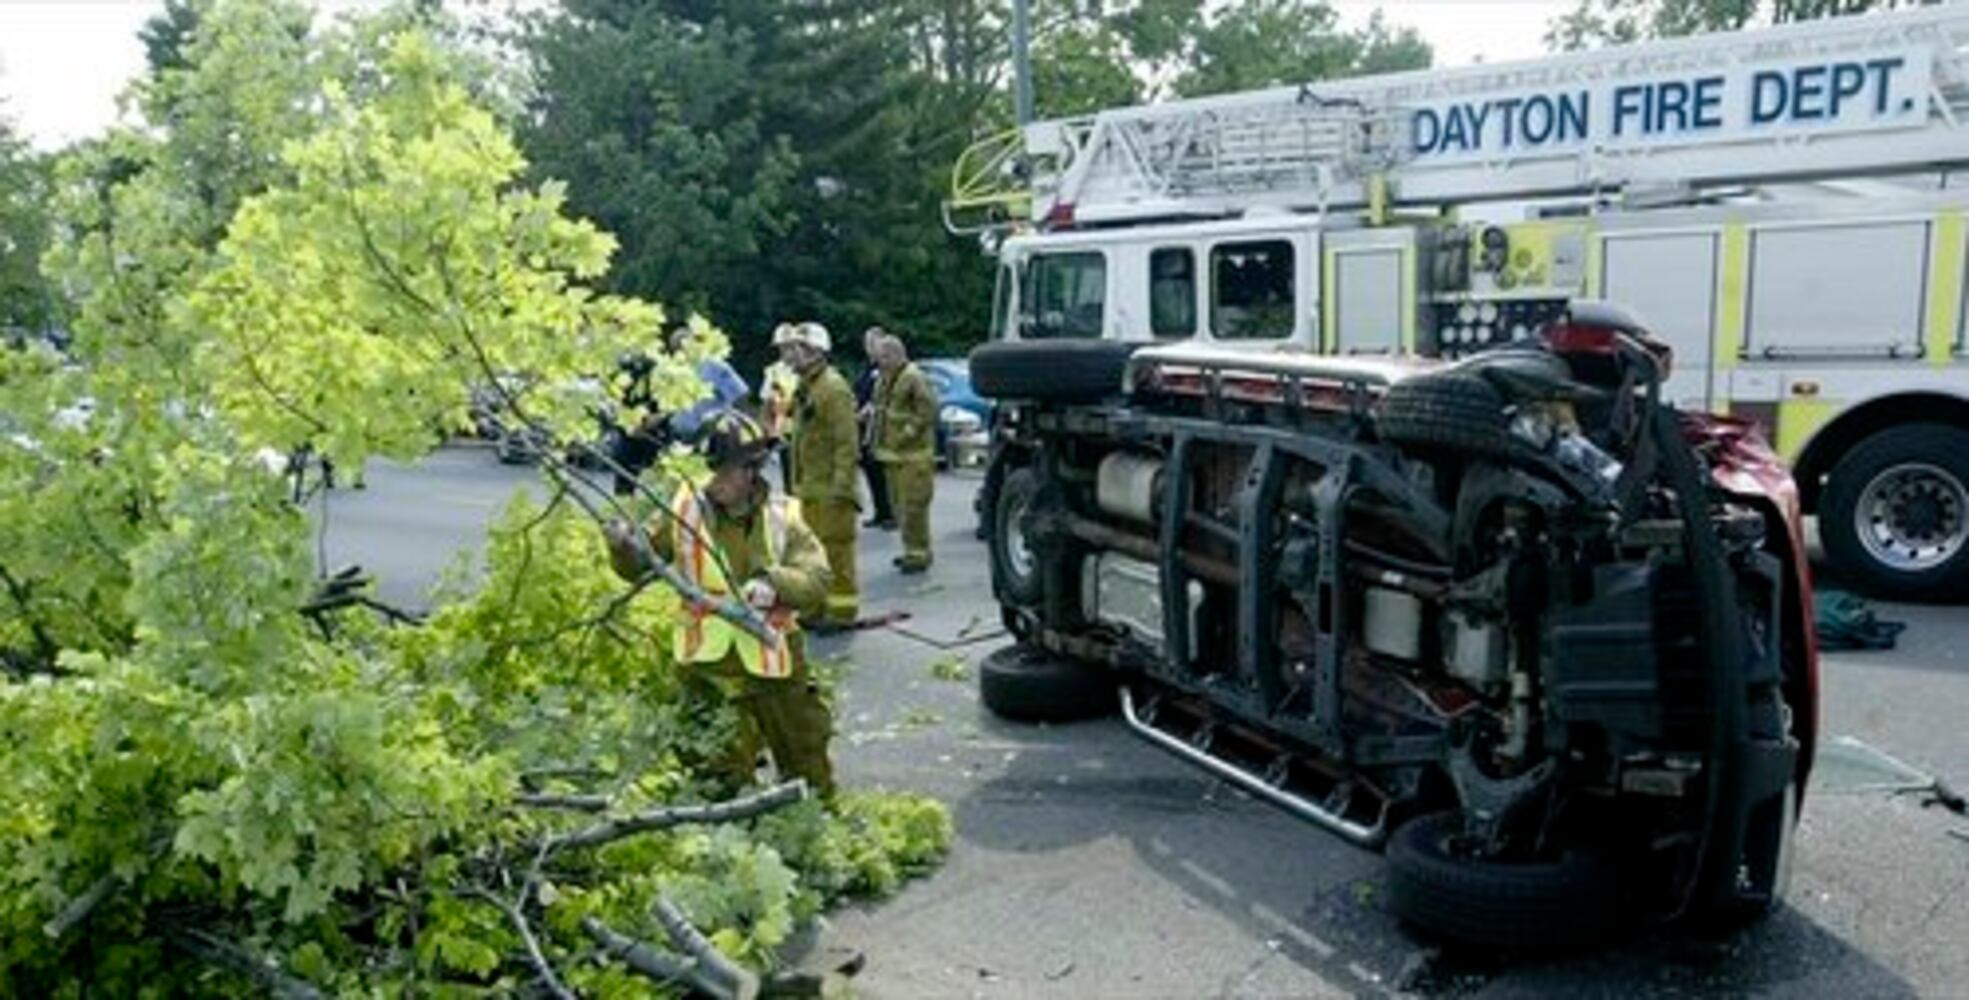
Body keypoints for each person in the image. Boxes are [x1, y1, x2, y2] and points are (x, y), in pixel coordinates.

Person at [601, 411, 836, 796]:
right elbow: (640, 565)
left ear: (751, 471)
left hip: (773, 658)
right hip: (706, 662)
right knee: (712, 765)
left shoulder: (782, 516)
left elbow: (818, 579)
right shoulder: (683, 509)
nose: (714, 482)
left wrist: (775, 583)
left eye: (725, 472)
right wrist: (623, 548)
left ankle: (812, 819)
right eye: (710, 470)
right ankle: (728, 824)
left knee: (804, 750)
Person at [779, 321, 861, 629]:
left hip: (831, 490)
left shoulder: (833, 388)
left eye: (798, 350)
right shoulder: (807, 388)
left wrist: (843, 488)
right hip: (810, 487)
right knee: (811, 555)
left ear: (815, 352)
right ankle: (814, 608)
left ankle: (841, 612)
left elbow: (846, 442)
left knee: (836, 552)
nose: (791, 356)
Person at [871, 332, 939, 573]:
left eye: (885, 356)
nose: (880, 361)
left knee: (914, 507)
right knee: (899, 506)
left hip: (914, 455)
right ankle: (910, 550)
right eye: (879, 356)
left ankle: (919, 554)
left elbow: (927, 410)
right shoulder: (884, 378)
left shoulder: (914, 377)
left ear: (898, 354)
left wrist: (908, 433)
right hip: (892, 454)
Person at [854, 327, 897, 530]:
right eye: (867, 343)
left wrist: (869, 409)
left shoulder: (888, 368)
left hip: (881, 427)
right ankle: (880, 512)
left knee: (885, 473)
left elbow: (886, 396)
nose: (869, 347)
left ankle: (892, 514)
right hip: (864, 429)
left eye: (872, 343)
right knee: (871, 471)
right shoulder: (867, 367)